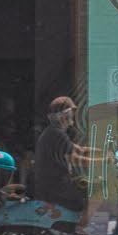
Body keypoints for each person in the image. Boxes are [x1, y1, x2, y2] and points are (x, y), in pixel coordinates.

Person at [32, 95, 89, 224]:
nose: (73, 116)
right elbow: (76, 159)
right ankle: (83, 228)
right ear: (63, 116)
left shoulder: (54, 132)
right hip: (55, 186)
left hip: (53, 184)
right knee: (94, 191)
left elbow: (79, 149)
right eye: (71, 112)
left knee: (84, 184)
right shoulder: (56, 134)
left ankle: (78, 222)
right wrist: (105, 162)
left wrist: (104, 152)